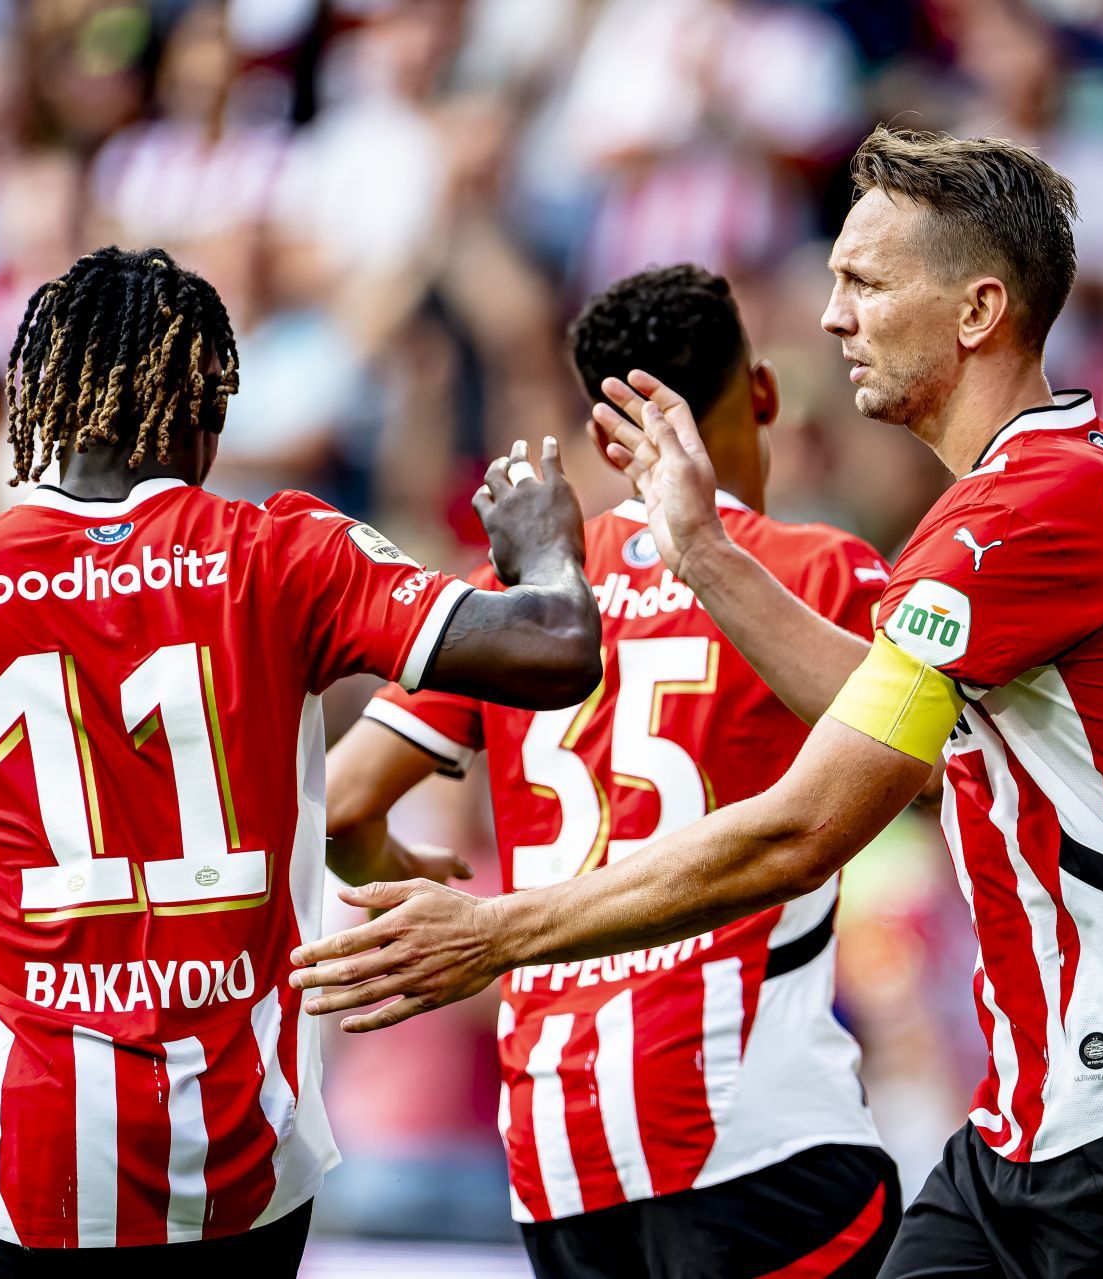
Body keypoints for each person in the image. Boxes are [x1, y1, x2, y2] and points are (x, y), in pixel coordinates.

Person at [293, 126, 1103, 1278]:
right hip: (1030, 1114)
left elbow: (815, 820)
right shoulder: (1063, 480)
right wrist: (701, 550)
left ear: (976, 312)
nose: (831, 316)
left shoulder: (1010, 520)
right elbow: (898, 731)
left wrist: (497, 929)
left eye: (864, 281)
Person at [0, 246, 601, 1277]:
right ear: (206, 412)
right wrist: (545, 544)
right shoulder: (282, 553)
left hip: (20, 1158)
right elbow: (557, 649)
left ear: (42, 400)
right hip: (238, 1160)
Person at [324, 264, 902, 1277]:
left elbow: (341, 805)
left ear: (603, 440)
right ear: (762, 392)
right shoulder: (818, 571)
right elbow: (928, 749)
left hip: (560, 1149)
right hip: (753, 1125)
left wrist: (397, 864)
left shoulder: (527, 603)